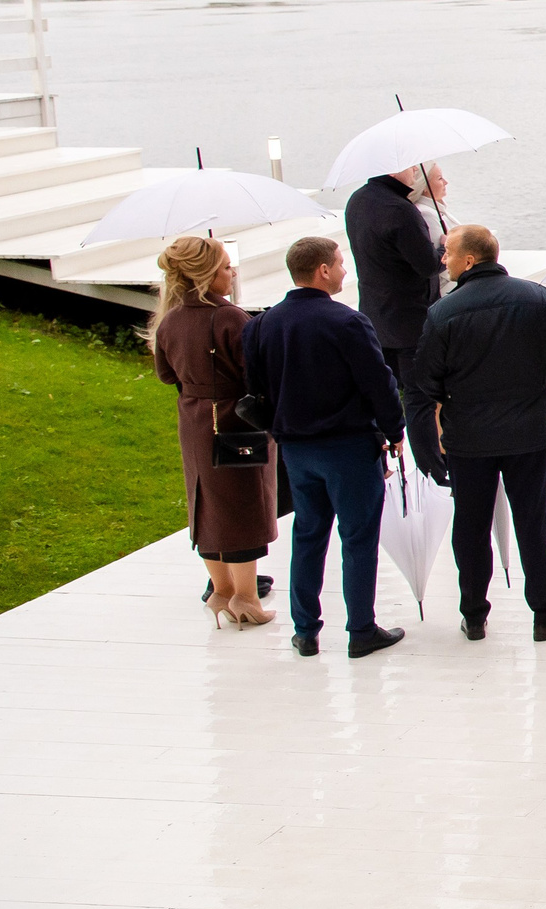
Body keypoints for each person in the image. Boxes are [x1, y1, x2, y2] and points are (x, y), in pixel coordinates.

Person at [409, 224, 546, 642]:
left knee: (470, 526)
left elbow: (425, 379)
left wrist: (456, 393)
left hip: (468, 437)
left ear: (469, 260)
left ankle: (473, 613)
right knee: (532, 520)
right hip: (527, 430)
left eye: (448, 253)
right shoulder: (536, 297)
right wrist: (537, 378)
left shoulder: (443, 312)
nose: (443, 260)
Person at [240, 235, 407, 660]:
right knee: (357, 538)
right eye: (340, 263)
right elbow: (378, 383)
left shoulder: (261, 325)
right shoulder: (347, 322)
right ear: (323, 271)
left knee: (309, 535)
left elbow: (256, 387)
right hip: (347, 446)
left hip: (296, 448)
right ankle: (361, 629)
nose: (345, 270)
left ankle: (305, 630)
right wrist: (394, 431)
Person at [149, 235, 276, 627]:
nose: (232, 272)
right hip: (234, 420)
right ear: (206, 276)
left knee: (204, 501)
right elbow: (255, 373)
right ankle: (246, 598)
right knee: (242, 505)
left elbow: (165, 373)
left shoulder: (169, 320)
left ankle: (220, 590)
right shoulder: (229, 317)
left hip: (193, 420)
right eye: (225, 267)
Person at [344, 161, 449, 480]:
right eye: (409, 168)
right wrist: (444, 248)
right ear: (392, 170)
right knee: (418, 399)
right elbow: (427, 266)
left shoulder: (357, 200)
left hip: (374, 314)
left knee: (381, 392)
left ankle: (378, 463)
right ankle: (433, 469)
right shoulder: (401, 211)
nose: (414, 173)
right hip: (410, 319)